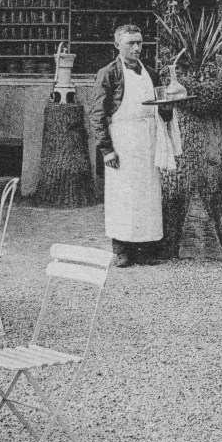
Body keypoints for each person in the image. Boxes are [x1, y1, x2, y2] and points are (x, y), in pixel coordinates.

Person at [89, 25, 179, 268]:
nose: (136, 48)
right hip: (122, 139)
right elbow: (96, 114)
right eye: (130, 43)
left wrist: (169, 106)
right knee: (122, 195)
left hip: (148, 139)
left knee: (148, 194)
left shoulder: (150, 73)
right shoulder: (108, 73)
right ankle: (121, 250)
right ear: (117, 45)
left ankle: (146, 249)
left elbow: (161, 108)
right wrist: (107, 150)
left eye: (139, 43)